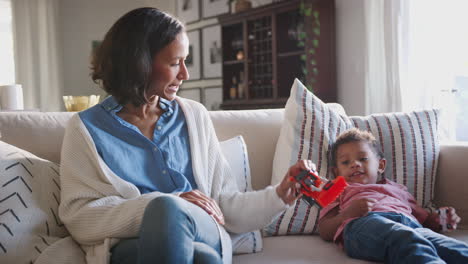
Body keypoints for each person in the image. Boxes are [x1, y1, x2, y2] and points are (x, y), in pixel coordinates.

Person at [58, 7, 311, 264]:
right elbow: (79, 217)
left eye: (185, 61)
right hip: (131, 246)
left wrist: (279, 194)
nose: (184, 74)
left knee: (174, 217)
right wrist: (164, 202)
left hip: (202, 230)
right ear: (140, 63)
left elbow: (225, 204)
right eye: (174, 62)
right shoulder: (85, 129)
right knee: (202, 257)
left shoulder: (193, 116)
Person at [318, 128, 468, 263]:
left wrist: (438, 219)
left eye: (363, 159)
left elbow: (424, 219)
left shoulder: (398, 190)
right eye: (345, 162)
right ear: (337, 173)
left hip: (411, 225)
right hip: (364, 224)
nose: (354, 164)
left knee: (451, 246)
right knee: (405, 239)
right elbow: (324, 230)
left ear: (381, 165)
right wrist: (347, 214)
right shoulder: (340, 190)